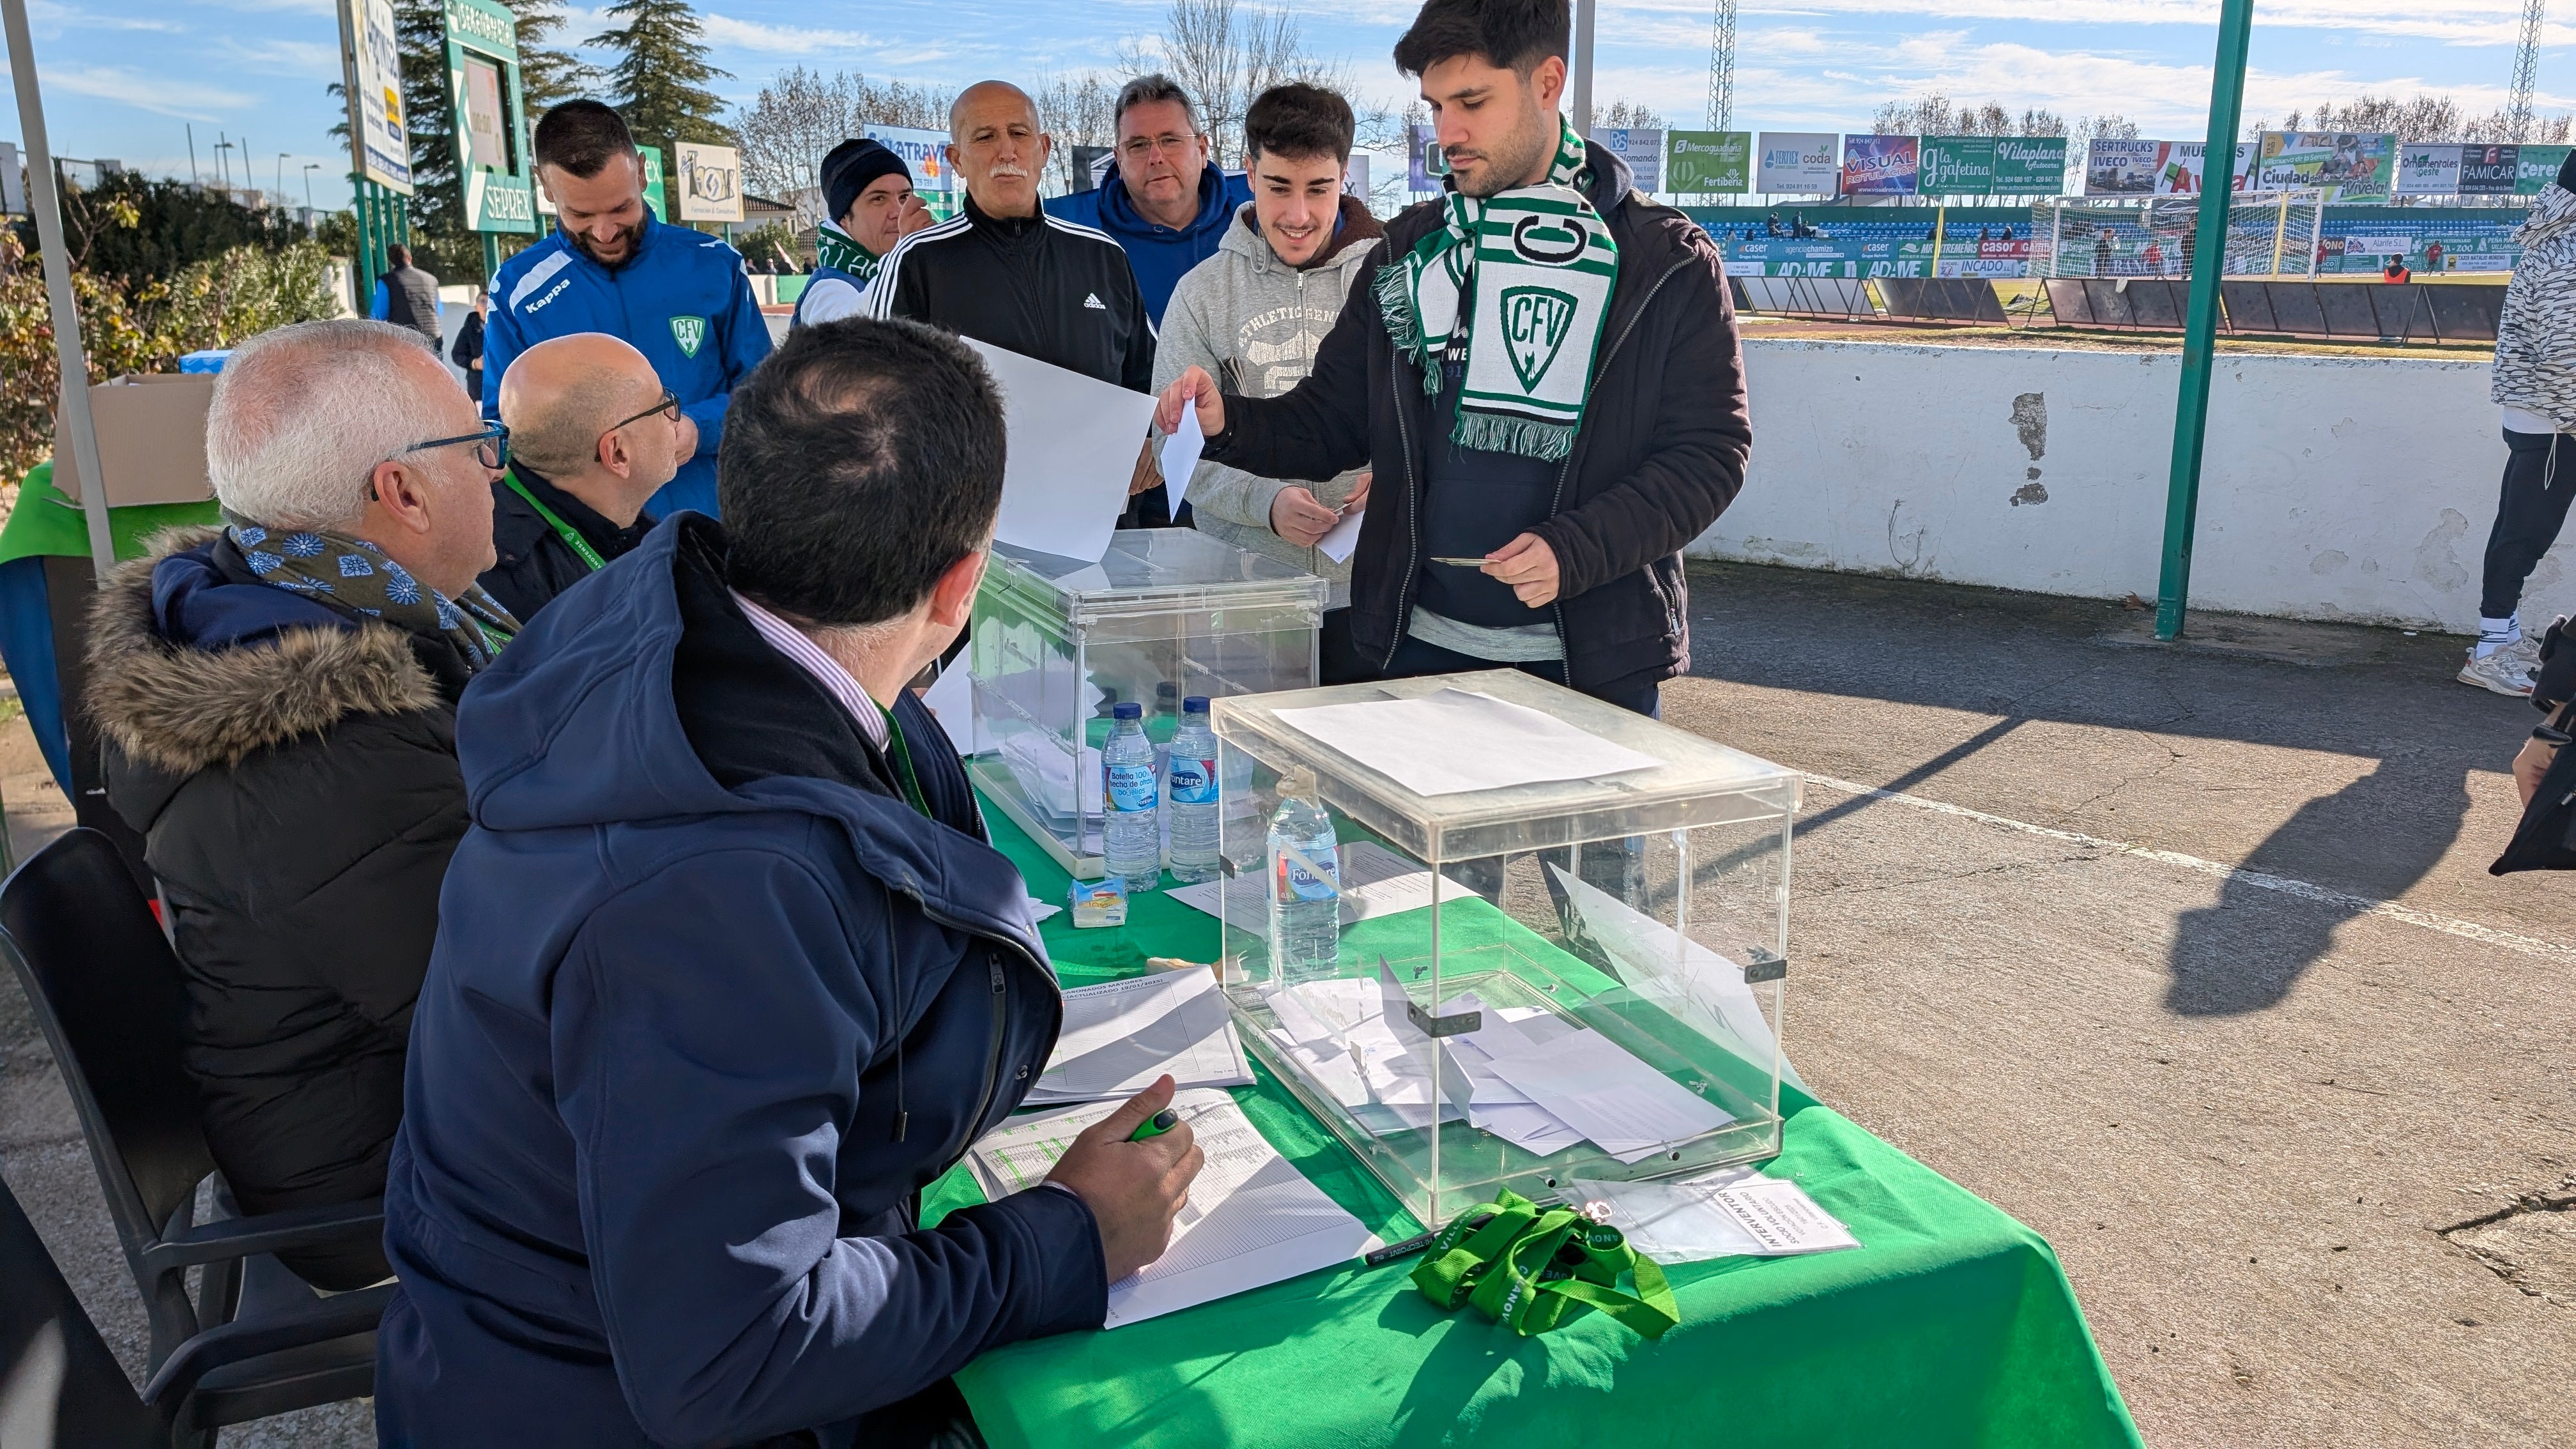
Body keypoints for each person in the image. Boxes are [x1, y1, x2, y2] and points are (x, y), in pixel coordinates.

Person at [375, 316, 1202, 1445]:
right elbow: (732, 1354)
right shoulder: (718, 890)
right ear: (963, 582)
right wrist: (1064, 1233)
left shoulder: (662, 645)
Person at [1155, 0, 1751, 718]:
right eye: (1436, 105)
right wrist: (1231, 422)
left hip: (1591, 664)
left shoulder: (1664, 262)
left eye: (1472, 102)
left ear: (1548, 84)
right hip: (1415, 652)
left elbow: (1709, 455)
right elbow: (1330, 422)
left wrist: (1578, 549)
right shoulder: (1410, 252)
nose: (1448, 133)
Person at [84, 319, 516, 1291]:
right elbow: (517, 1014)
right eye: (476, 445)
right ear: (400, 492)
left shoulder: (270, 603)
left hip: (359, 1091)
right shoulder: (326, 753)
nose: (497, 470)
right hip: (370, 1172)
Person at [870, 80, 1167, 528]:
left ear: (1043, 149)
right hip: (973, 541)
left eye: (1019, 134)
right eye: (985, 137)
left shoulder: (1103, 257)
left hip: (1101, 529)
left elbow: (1154, 374)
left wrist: (1152, 440)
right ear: (957, 160)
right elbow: (874, 404)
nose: (1006, 151)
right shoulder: (917, 263)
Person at [1154, 83, 1383, 643]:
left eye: (1319, 188)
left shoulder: (1393, 283)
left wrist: (1399, 479)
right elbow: (1173, 448)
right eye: (1279, 187)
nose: (1299, 214)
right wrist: (1266, 503)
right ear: (1249, 173)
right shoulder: (1201, 295)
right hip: (1243, 605)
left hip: (1376, 597)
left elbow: (1437, 416)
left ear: (1344, 175)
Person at [484, 99, 772, 520]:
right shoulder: (517, 290)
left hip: (717, 525)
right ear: (546, 188)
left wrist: (699, 427)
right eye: (579, 214)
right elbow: (503, 426)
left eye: (621, 208)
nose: (604, 232)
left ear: (641, 172)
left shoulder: (713, 264)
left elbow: (767, 393)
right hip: (589, 551)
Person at [2460, 149, 2576, 696]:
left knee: (2522, 530)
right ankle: (2488, 650)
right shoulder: (2566, 251)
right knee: (2523, 534)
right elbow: (2563, 352)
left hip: (2549, 416)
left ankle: (2502, 635)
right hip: (2555, 420)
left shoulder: (2558, 239)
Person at [480, 332, 684, 620]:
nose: (677, 420)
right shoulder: (522, 591)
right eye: (664, 406)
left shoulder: (621, 524)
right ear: (618, 453)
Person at [1044, 74, 1254, 326]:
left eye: (1170, 140)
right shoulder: (1072, 227)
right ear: (1119, 160)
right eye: (1138, 145)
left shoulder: (1256, 211)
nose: (1156, 156)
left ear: (1202, 150)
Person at [793, 138, 936, 327]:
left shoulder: (915, 272)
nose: (898, 212)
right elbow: (853, 337)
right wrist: (906, 254)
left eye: (904, 197)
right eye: (878, 199)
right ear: (844, 218)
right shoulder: (827, 287)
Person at [371, 243, 443, 348]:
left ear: (391, 262)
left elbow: (378, 316)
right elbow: (439, 311)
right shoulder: (431, 280)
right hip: (434, 339)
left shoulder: (387, 281)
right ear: (410, 258)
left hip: (405, 341)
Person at [451, 288, 488, 397]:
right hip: (479, 387)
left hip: (503, 383)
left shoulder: (504, 327)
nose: (486, 305)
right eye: (483, 301)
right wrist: (475, 363)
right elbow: (457, 355)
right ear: (476, 306)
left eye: (490, 302)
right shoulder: (468, 330)